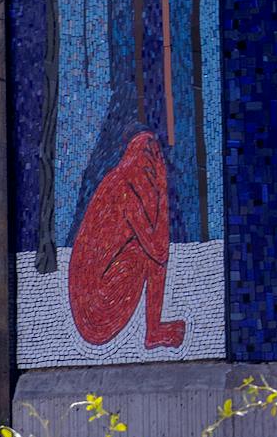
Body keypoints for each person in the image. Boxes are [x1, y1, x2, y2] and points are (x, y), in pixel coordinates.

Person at [67, 131, 189, 348]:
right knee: (144, 253)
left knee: (146, 251)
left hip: (99, 291)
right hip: (95, 310)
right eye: (149, 165)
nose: (151, 173)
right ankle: (153, 332)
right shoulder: (124, 189)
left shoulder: (125, 181)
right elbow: (159, 250)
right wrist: (160, 188)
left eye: (154, 166)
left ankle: (154, 330)